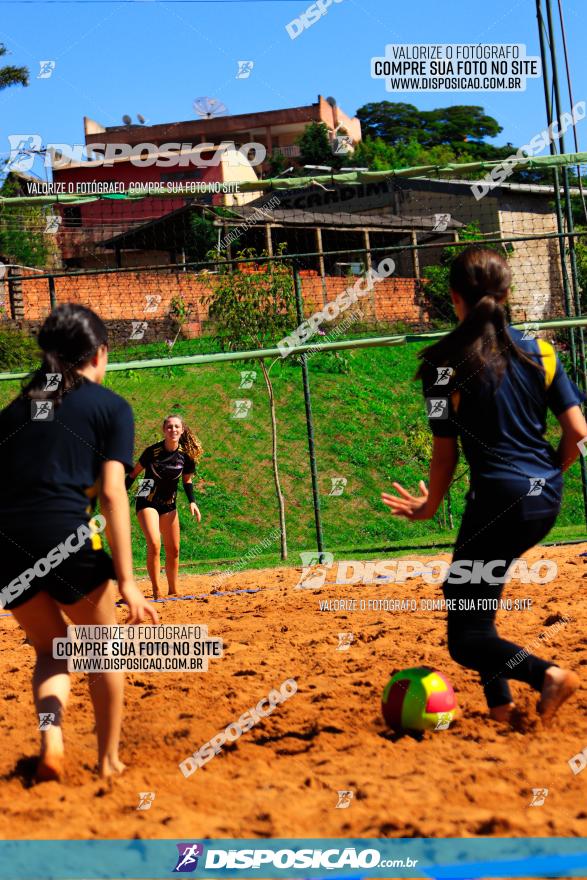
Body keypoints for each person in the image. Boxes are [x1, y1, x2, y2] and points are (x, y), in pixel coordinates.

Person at [382, 246, 587, 727]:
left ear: (454, 297)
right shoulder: (542, 351)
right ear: (506, 294)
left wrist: (430, 504)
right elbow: (578, 433)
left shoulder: (442, 366)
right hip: (544, 497)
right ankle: (501, 708)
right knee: (474, 601)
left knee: (464, 637)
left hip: (496, 497)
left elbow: (444, 448)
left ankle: (548, 676)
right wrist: (549, 475)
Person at [0, 303, 157, 782]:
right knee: (102, 650)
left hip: (7, 548)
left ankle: (51, 739)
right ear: (101, 352)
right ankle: (108, 759)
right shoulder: (110, 407)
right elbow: (113, 493)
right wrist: (128, 581)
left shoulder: (18, 408)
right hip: (66, 539)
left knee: (51, 652)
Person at [126, 415, 203, 599]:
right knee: (154, 543)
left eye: (177, 427)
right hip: (147, 500)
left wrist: (192, 501)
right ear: (164, 430)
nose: (173, 430)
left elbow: (187, 480)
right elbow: (133, 475)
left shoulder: (186, 456)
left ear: (182, 430)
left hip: (169, 504)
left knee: (174, 550)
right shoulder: (152, 452)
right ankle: (156, 589)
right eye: (169, 427)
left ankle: (173, 590)